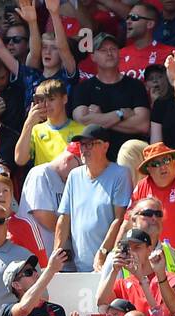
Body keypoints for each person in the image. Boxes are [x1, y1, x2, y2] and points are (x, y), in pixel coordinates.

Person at [55, 126, 133, 272]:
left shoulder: (120, 174)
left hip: (109, 265)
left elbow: (120, 219)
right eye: (82, 145)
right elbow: (64, 218)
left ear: (105, 146)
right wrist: (56, 255)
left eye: (90, 144)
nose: (84, 149)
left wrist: (103, 253)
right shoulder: (74, 175)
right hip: (80, 266)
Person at [70, 33, 152, 162]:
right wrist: (120, 114)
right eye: (103, 50)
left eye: (113, 49)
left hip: (130, 159)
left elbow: (142, 125)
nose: (109, 53)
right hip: (96, 160)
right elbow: (81, 119)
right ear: (92, 57)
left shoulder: (135, 85)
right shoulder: (84, 88)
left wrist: (99, 118)